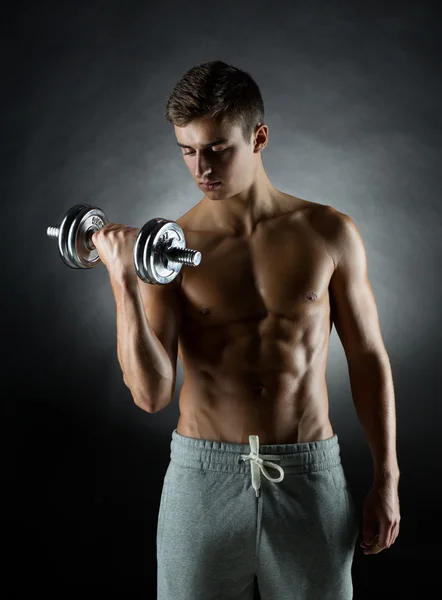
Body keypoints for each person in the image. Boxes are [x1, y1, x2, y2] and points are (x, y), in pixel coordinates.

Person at [92, 61, 401, 600]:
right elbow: (150, 394)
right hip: (202, 478)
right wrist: (123, 281)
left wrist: (388, 479)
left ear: (258, 137)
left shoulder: (328, 232)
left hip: (307, 474)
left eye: (216, 149)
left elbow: (368, 359)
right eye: (187, 151)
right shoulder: (169, 250)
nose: (201, 167)